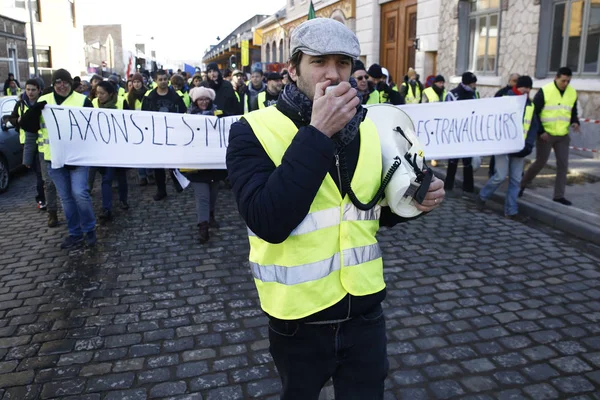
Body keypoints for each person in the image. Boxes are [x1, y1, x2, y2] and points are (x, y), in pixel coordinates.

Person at [226, 18, 445, 399]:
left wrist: (416, 201)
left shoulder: (370, 128)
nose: (333, 74)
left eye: (342, 63)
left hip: (364, 311)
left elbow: (368, 208)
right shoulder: (252, 129)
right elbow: (267, 220)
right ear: (292, 70)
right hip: (298, 317)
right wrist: (317, 133)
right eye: (319, 62)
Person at [20, 69, 97, 249]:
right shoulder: (43, 101)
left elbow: (94, 129)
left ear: (71, 84)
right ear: (53, 85)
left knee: (80, 193)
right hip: (53, 158)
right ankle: (75, 233)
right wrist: (34, 111)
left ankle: (90, 229)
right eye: (58, 82)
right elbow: (28, 127)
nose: (62, 86)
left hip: (77, 158)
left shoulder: (82, 101)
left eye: (65, 82)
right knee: (66, 198)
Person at [477, 76, 538, 221]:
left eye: (529, 88)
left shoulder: (530, 105)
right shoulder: (504, 98)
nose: (527, 90)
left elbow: (532, 127)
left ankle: (511, 211)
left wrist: (528, 145)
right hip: (503, 147)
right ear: (518, 87)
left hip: (519, 148)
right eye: (525, 87)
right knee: (500, 176)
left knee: (516, 180)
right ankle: (482, 197)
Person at [520, 67, 580, 206]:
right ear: (556, 78)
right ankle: (521, 185)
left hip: (563, 135)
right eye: (563, 80)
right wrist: (541, 131)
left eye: (568, 81)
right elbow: (534, 113)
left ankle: (559, 196)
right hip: (545, 134)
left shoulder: (572, 92)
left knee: (563, 165)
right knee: (540, 162)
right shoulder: (545, 90)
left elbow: (573, 110)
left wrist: (575, 122)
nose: (566, 83)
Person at [182, 86, 227, 243]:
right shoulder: (186, 117)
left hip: (214, 163)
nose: (203, 102)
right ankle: (203, 227)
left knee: (213, 195)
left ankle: (211, 215)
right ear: (195, 101)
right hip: (197, 165)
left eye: (206, 99)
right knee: (202, 197)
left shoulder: (218, 114)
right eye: (200, 99)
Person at [141, 69, 187, 201]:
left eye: (165, 79)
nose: (163, 82)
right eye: (160, 79)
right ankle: (161, 190)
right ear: (155, 81)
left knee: (174, 161)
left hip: (173, 134)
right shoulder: (149, 97)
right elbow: (144, 116)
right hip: (157, 134)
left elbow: (184, 112)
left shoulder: (176, 96)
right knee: (158, 165)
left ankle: (178, 182)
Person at [91, 81, 130, 221]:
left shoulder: (121, 102)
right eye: (97, 93)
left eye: (102, 93)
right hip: (103, 148)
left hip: (119, 147)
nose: (99, 96)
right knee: (106, 178)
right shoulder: (93, 103)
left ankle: (123, 199)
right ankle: (106, 208)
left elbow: (129, 122)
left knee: (120, 176)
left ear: (110, 93)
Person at [8, 78, 45, 209]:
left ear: (39, 90)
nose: (30, 92)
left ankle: (43, 198)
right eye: (28, 89)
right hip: (26, 142)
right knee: (37, 172)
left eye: (33, 90)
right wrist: (17, 121)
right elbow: (11, 118)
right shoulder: (21, 104)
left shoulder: (44, 102)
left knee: (42, 173)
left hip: (42, 142)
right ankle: (42, 198)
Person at [444, 71, 480, 197]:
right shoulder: (452, 94)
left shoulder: (474, 94)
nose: (475, 85)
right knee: (453, 161)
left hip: (468, 133)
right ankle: (448, 186)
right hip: (456, 133)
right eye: (473, 83)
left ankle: (468, 188)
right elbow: (446, 113)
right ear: (468, 83)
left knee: (467, 162)